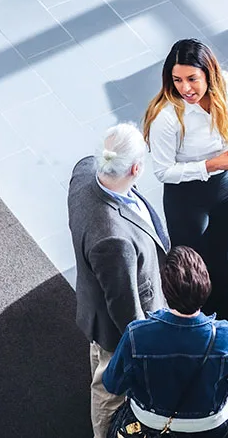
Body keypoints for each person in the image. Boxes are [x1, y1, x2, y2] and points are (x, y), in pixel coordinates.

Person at [68, 123, 171, 438]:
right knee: (108, 388)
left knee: (99, 362)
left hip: (93, 298)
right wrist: (143, 346)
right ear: (137, 168)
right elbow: (124, 306)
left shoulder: (85, 171)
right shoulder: (113, 238)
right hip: (113, 327)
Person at [143, 38, 228, 319]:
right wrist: (212, 164)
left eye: (192, 78)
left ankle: (224, 322)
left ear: (209, 73)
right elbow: (163, 171)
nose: (185, 88)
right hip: (187, 199)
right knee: (192, 270)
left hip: (227, 187)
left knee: (223, 261)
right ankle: (195, 324)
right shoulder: (167, 117)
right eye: (177, 80)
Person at [103, 246, 228, 437]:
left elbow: (112, 384)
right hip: (211, 426)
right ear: (206, 285)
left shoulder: (137, 335)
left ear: (165, 289)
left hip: (152, 426)